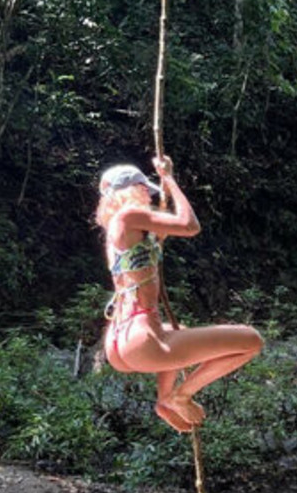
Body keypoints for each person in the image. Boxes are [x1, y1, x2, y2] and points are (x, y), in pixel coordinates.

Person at [97, 155, 263, 433]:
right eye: (145, 191)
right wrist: (169, 179)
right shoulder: (128, 216)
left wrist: (162, 209)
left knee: (179, 330)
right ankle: (181, 395)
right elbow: (189, 225)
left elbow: (156, 240)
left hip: (119, 341)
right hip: (141, 339)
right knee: (252, 341)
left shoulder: (117, 229)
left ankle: (165, 400)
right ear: (136, 189)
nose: (148, 198)